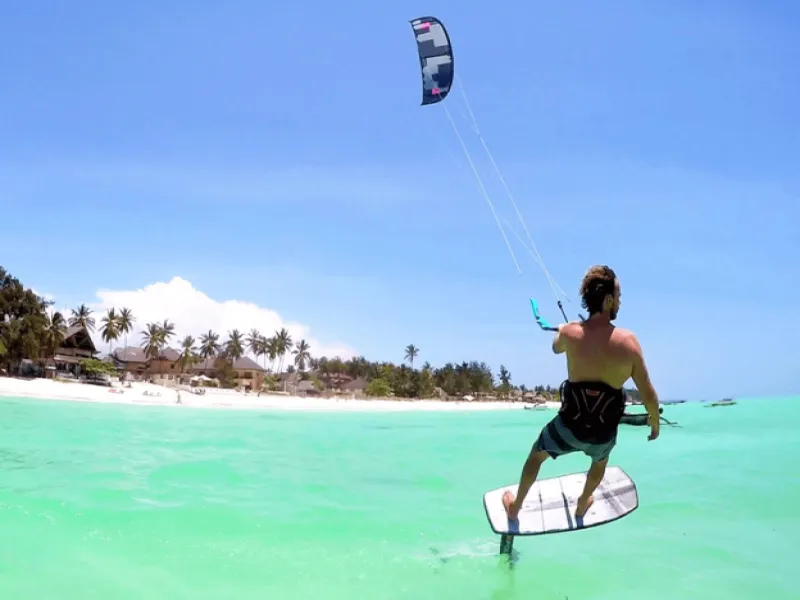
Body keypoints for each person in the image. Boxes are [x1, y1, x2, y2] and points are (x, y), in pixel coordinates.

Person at [503, 265, 660, 522]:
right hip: (601, 435)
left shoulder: (570, 333)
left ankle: (515, 507)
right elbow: (649, 394)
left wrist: (567, 329)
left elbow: (556, 348)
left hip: (567, 428)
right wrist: (653, 422)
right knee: (600, 463)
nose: (620, 301)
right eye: (618, 296)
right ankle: (582, 502)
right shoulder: (628, 343)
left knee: (536, 455)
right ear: (608, 300)